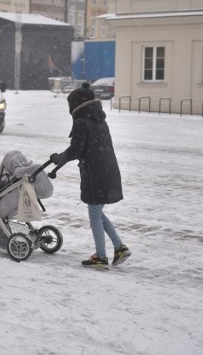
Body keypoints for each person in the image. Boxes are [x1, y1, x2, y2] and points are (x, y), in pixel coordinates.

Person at [50, 82, 131, 268]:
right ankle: (119, 247)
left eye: (70, 105)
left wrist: (58, 158)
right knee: (97, 212)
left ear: (76, 104)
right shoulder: (100, 120)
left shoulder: (81, 122)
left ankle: (101, 257)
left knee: (94, 214)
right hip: (108, 170)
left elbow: (76, 150)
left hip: (95, 174)